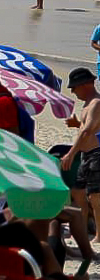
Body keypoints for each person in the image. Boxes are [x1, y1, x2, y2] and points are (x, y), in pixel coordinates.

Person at [63, 67, 100, 245]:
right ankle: (82, 227)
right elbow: (88, 128)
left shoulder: (96, 103)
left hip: (96, 154)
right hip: (86, 154)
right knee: (77, 191)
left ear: (85, 84)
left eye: (75, 87)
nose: (73, 92)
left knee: (95, 196)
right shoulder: (87, 104)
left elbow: (87, 132)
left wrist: (71, 154)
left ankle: (99, 235)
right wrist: (76, 123)